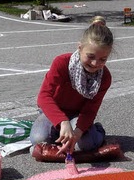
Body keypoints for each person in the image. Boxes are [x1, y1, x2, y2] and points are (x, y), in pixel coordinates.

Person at [29, 16, 113, 155]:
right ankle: (60, 130)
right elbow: (44, 97)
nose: (95, 63)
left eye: (102, 59)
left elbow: (90, 110)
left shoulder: (104, 77)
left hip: (77, 115)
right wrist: (63, 122)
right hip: (54, 111)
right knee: (39, 139)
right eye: (90, 56)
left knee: (86, 144)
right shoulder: (62, 63)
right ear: (80, 48)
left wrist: (78, 132)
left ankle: (98, 131)